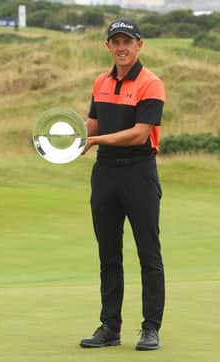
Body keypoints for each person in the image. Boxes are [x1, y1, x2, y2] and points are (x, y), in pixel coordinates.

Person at [79, 20, 166, 351]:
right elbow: (91, 123)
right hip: (105, 174)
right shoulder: (101, 82)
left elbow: (140, 133)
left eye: (127, 42)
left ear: (139, 44)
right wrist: (65, 138)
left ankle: (150, 328)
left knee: (148, 253)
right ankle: (110, 326)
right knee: (108, 253)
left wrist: (96, 139)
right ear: (108, 46)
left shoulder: (150, 84)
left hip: (138, 172)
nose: (121, 48)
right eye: (115, 42)